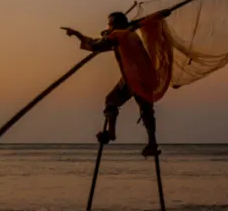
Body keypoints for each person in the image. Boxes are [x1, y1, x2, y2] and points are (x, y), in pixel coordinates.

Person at [62, 9, 171, 158]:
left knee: (112, 101)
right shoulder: (128, 33)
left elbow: (97, 45)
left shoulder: (119, 35)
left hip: (135, 78)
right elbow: (143, 22)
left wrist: (78, 34)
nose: (108, 27)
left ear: (116, 25)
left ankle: (112, 134)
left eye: (110, 24)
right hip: (143, 76)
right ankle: (151, 142)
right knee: (146, 110)